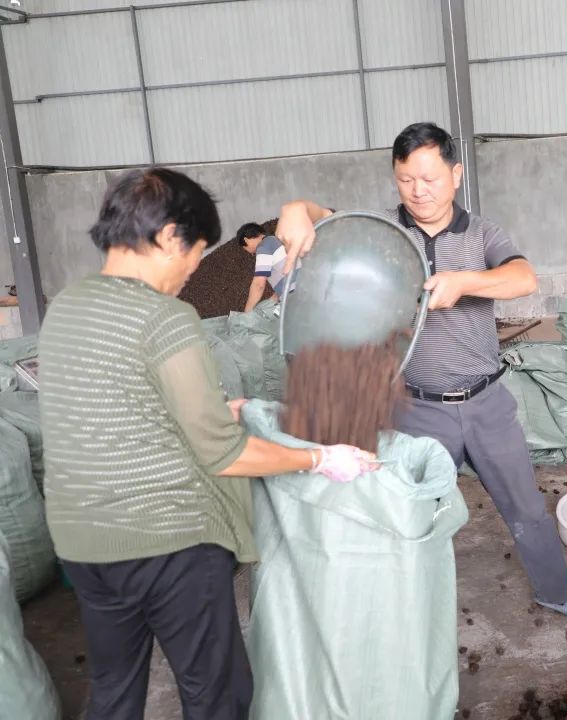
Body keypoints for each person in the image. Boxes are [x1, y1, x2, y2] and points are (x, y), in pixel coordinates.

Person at [37, 168, 378, 720]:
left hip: (85, 547)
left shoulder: (67, 308)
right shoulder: (166, 318)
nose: (196, 265)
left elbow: (114, 410)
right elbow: (224, 455)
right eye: (195, 250)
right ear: (170, 237)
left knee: (114, 692)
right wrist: (319, 457)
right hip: (168, 546)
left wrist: (217, 409)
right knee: (215, 694)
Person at [278, 122, 567, 624]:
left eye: (429, 178)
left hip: (486, 403)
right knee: (410, 514)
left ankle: (556, 591)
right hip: (417, 408)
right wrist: (294, 212)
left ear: (455, 175)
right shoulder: (386, 232)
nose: (418, 191)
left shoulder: (483, 234)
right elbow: (321, 216)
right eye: (406, 180)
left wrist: (465, 281)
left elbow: (523, 278)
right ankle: (401, 613)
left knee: (525, 508)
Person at [235, 221, 295, 312]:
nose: (250, 253)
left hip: (294, 296)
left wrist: (247, 314)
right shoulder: (276, 241)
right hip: (300, 290)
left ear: (246, 239)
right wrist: (273, 300)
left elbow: (258, 284)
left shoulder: (264, 246)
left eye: (245, 248)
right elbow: (285, 275)